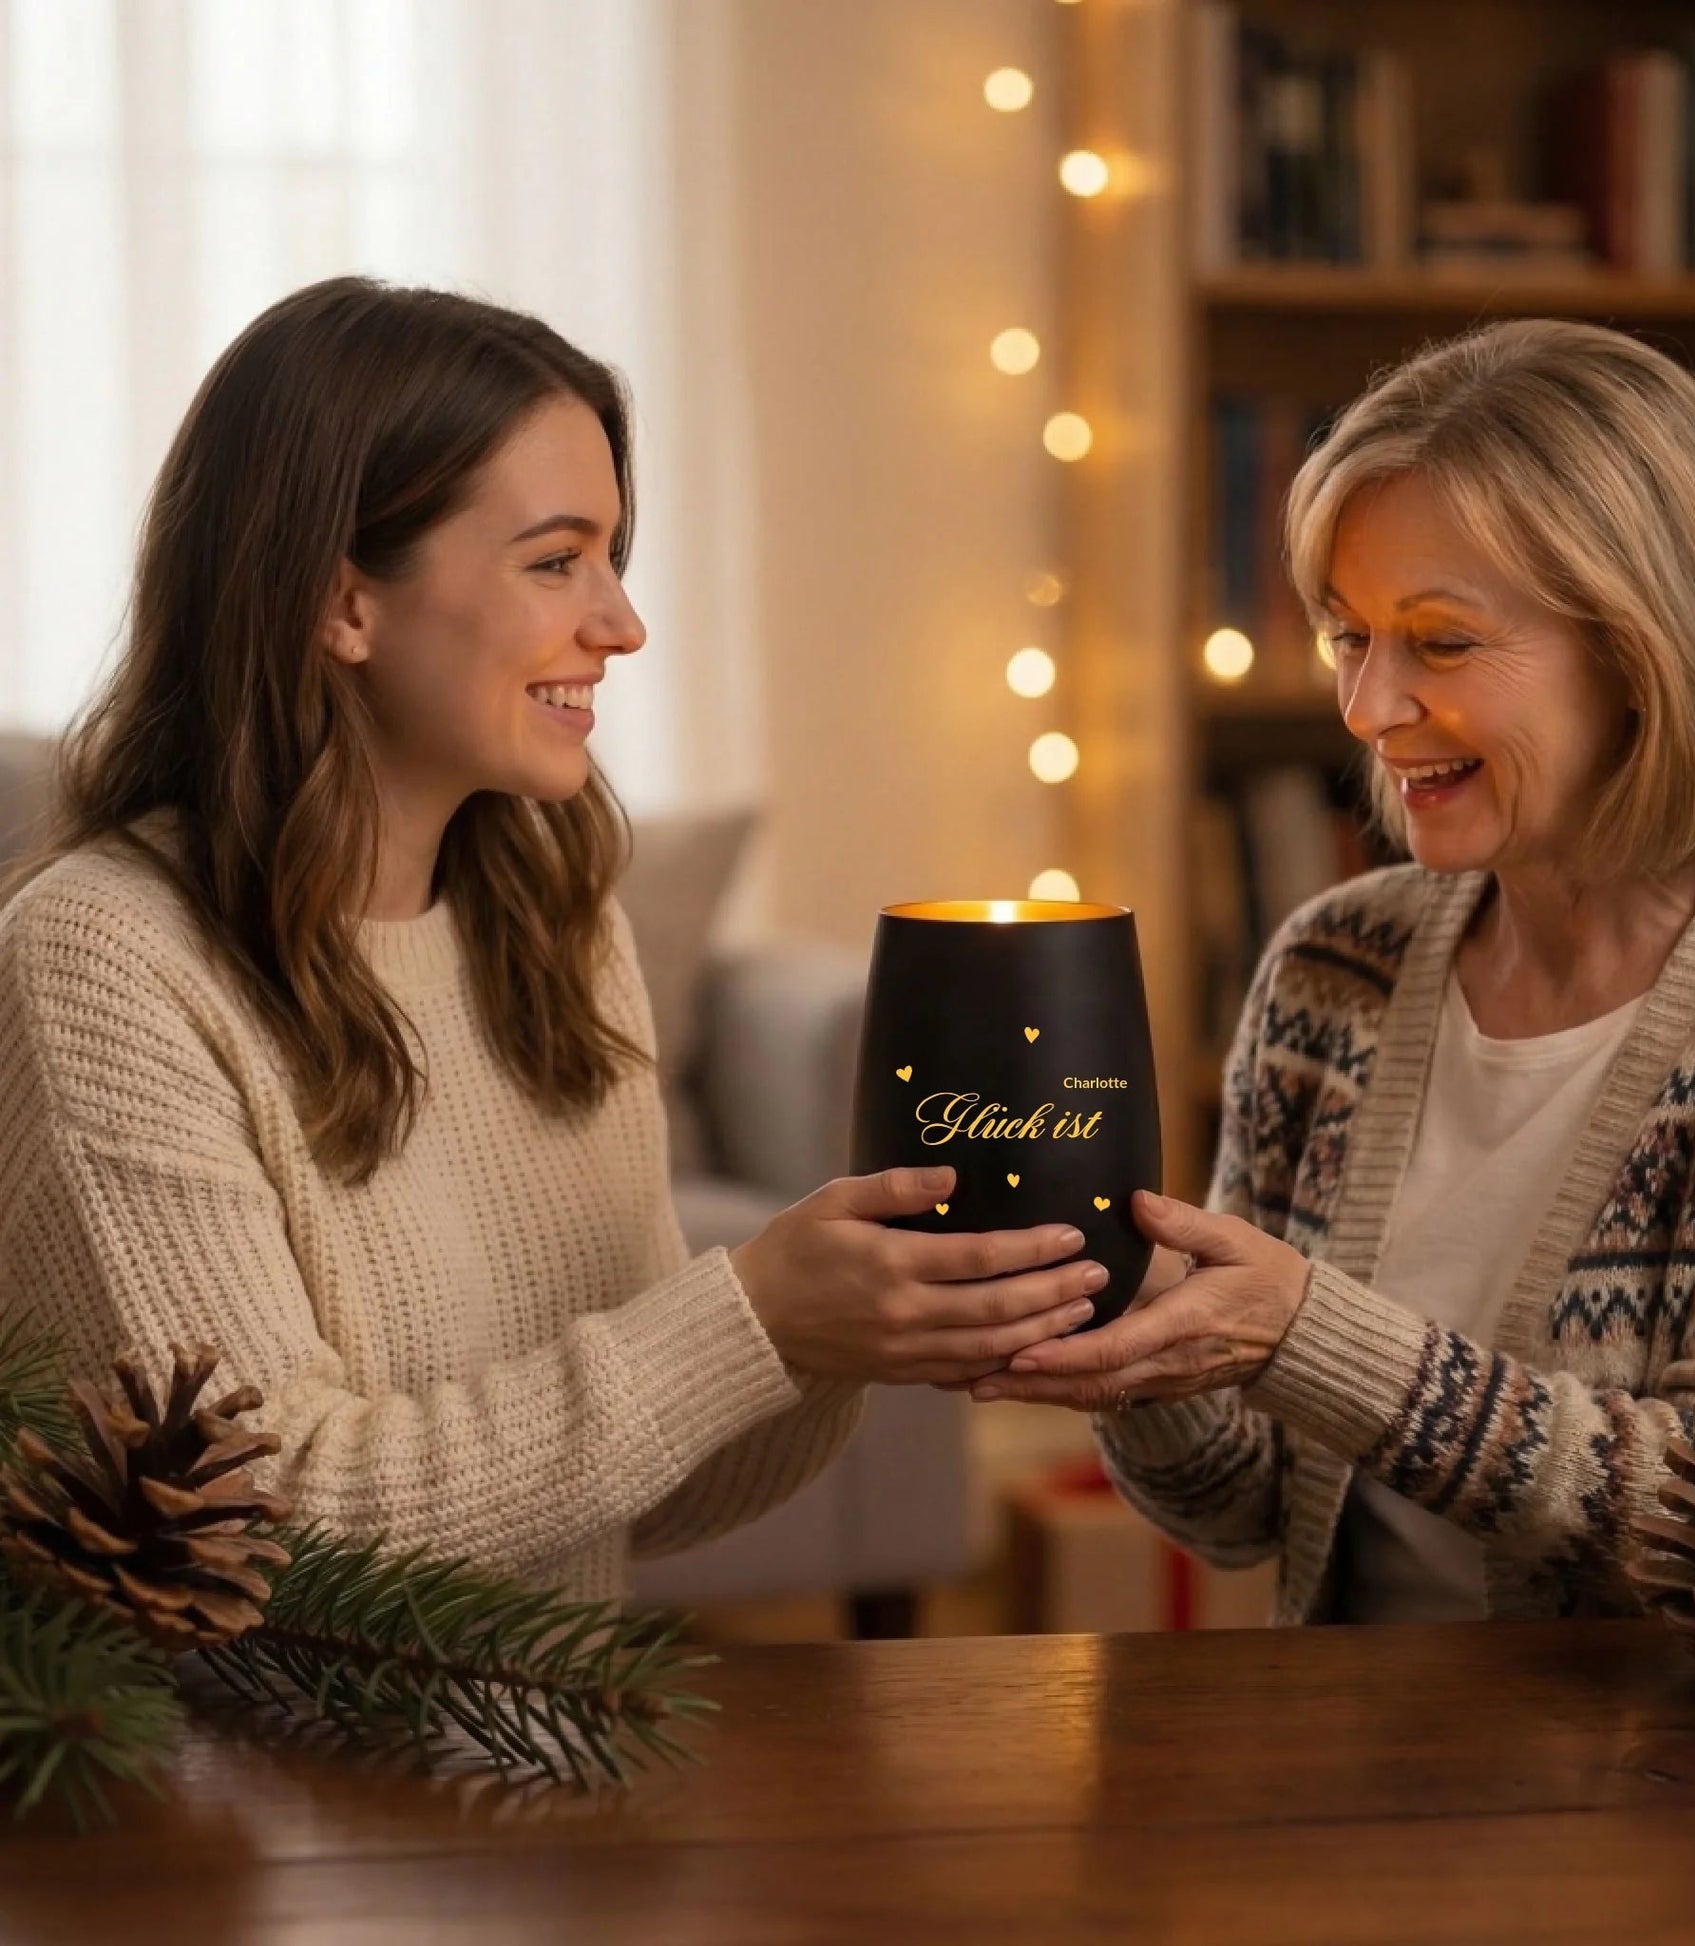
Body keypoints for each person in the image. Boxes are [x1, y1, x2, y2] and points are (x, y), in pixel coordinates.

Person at [0, 277, 1107, 1604]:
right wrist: (748, 1311)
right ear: (341, 601)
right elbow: (257, 1528)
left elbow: (651, 1494)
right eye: (554, 559)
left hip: (561, 1768)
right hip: (259, 1803)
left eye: (614, 556)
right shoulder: (98, 958)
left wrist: (839, 1332)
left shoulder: (556, 928)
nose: (621, 625)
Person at [969, 318, 1695, 1625]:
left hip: (1689, 1787)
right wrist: (1137, 1339)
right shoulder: (1335, 967)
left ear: (1641, 652)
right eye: (1345, 636)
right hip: (1362, 1757)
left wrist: (1303, 1333)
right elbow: (1243, 1509)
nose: (1366, 708)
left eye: (1437, 641)